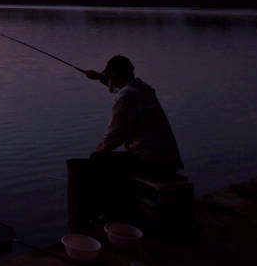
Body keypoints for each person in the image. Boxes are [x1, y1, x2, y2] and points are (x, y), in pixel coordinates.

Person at [67, 55, 182, 230]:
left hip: (153, 163)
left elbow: (115, 136)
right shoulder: (143, 89)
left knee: (98, 161)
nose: (109, 79)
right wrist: (99, 77)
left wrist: (101, 150)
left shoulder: (127, 97)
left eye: (109, 75)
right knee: (110, 161)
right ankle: (114, 211)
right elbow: (120, 87)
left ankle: (106, 216)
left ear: (114, 74)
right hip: (169, 160)